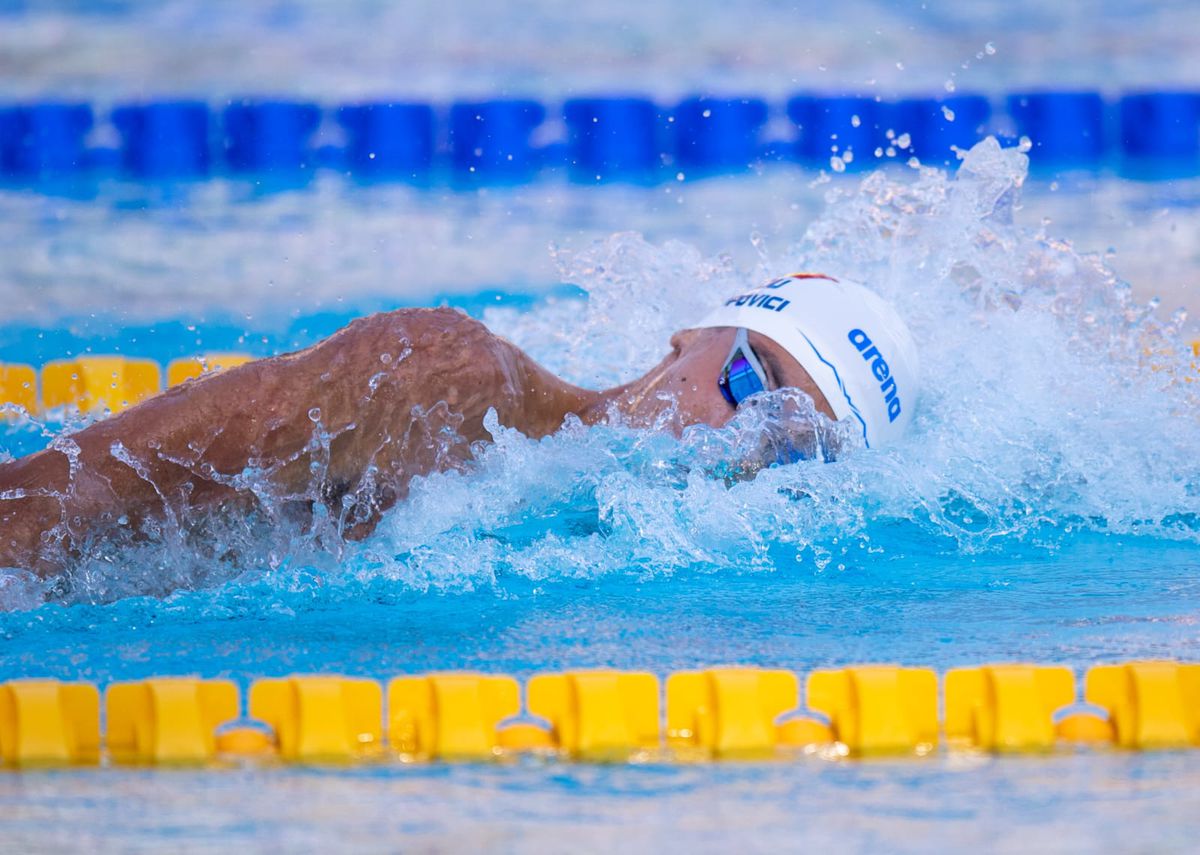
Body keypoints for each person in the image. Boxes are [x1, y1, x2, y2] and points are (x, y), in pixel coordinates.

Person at [0, 273, 918, 578]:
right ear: (689, 336)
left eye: (793, 444)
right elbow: (50, 501)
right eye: (749, 379)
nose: (740, 438)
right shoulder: (439, 377)